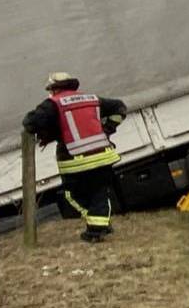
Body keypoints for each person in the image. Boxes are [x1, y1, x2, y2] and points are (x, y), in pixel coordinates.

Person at [23, 72, 127, 243]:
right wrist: (108, 129)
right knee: (99, 192)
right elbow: (120, 108)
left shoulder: (53, 104)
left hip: (75, 160)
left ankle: (96, 230)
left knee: (72, 194)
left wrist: (51, 131)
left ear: (54, 89)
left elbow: (30, 122)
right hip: (103, 155)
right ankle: (100, 225)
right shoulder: (92, 99)